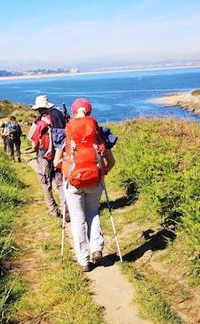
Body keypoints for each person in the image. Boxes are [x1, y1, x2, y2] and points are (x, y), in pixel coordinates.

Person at [54, 98, 115, 272]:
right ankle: (97, 248)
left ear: (73, 113)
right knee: (93, 213)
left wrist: (67, 168)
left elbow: (56, 161)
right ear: (90, 112)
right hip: (95, 180)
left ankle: (83, 260)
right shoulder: (99, 134)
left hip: (72, 182)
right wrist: (102, 172)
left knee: (77, 219)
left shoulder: (65, 134)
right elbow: (111, 161)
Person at [30, 95, 68, 218]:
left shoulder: (41, 121)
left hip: (45, 155)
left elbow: (34, 142)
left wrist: (35, 149)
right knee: (60, 182)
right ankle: (66, 207)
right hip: (61, 152)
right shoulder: (60, 115)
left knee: (45, 182)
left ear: (39, 108)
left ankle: (53, 210)